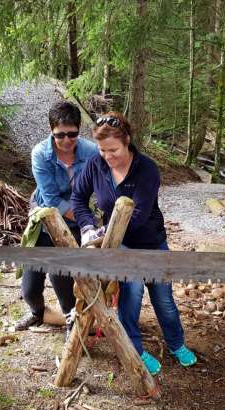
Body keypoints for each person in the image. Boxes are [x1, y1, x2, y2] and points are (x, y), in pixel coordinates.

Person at [71, 112, 197, 375]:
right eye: (103, 150)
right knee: (132, 294)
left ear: (127, 140)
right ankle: (135, 350)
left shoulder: (146, 169)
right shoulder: (95, 165)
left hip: (151, 242)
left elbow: (137, 216)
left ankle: (176, 343)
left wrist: (105, 231)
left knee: (163, 299)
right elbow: (78, 199)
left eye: (113, 150)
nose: (108, 156)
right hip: (119, 243)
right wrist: (87, 227)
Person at [14, 101, 99, 331]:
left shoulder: (91, 152)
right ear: (51, 130)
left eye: (72, 134)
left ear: (79, 129)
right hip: (45, 218)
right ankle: (37, 313)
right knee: (30, 289)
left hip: (74, 220)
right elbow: (51, 199)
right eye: (60, 135)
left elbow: (100, 186)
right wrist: (85, 220)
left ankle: (72, 324)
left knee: (62, 277)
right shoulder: (41, 154)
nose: (66, 140)